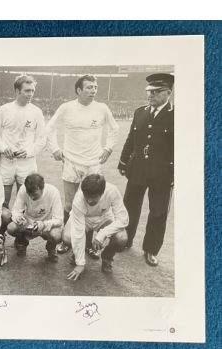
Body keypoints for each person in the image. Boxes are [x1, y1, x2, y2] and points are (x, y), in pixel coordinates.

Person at [46, 75, 119, 254]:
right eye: (89, 87)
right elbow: (50, 128)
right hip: (71, 161)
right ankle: (66, 241)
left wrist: (108, 148)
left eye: (95, 87)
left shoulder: (102, 108)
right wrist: (55, 148)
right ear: (78, 90)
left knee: (92, 206)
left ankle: (88, 245)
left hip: (93, 164)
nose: (93, 91)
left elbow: (114, 129)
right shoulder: (67, 108)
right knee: (70, 205)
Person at [118, 73, 174, 267]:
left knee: (158, 212)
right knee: (130, 206)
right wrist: (123, 162)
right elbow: (130, 140)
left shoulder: (177, 115)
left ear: (168, 92)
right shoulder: (140, 112)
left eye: (156, 92)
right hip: (138, 169)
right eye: (149, 91)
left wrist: (175, 173)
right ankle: (125, 240)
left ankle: (150, 249)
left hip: (163, 173)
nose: (150, 95)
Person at [0, 75, 46, 208]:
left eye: (32, 90)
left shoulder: (37, 112)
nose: (30, 94)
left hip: (27, 163)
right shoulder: (4, 110)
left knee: (27, 202)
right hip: (7, 162)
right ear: (17, 91)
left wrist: (28, 152)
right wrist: (4, 148)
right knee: (2, 202)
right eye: (27, 90)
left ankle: (23, 229)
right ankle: (3, 229)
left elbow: (42, 139)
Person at [64, 174, 129, 280]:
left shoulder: (112, 191)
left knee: (121, 238)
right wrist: (80, 264)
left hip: (104, 218)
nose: (89, 201)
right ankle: (77, 254)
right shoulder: (78, 200)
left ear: (102, 193)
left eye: (93, 197)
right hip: (83, 219)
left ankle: (107, 258)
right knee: (67, 237)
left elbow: (123, 219)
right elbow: (78, 231)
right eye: (87, 197)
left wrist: (103, 233)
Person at [7, 173, 63, 262]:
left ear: (42, 188)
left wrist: (44, 224)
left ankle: (51, 248)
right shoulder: (23, 189)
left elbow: (59, 220)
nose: (32, 197)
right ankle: (22, 243)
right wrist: (18, 218)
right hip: (28, 222)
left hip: (46, 224)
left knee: (56, 235)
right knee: (11, 227)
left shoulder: (53, 192)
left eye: (35, 194)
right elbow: (16, 211)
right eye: (29, 194)